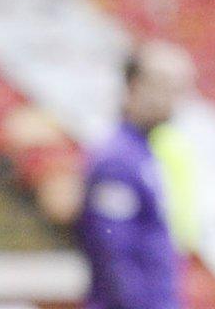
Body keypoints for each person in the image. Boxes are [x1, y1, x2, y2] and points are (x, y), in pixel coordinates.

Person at [78, 41, 193, 309]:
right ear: (133, 86)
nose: (173, 97)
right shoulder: (118, 161)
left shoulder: (145, 153)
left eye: (180, 87)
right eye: (163, 84)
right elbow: (114, 255)